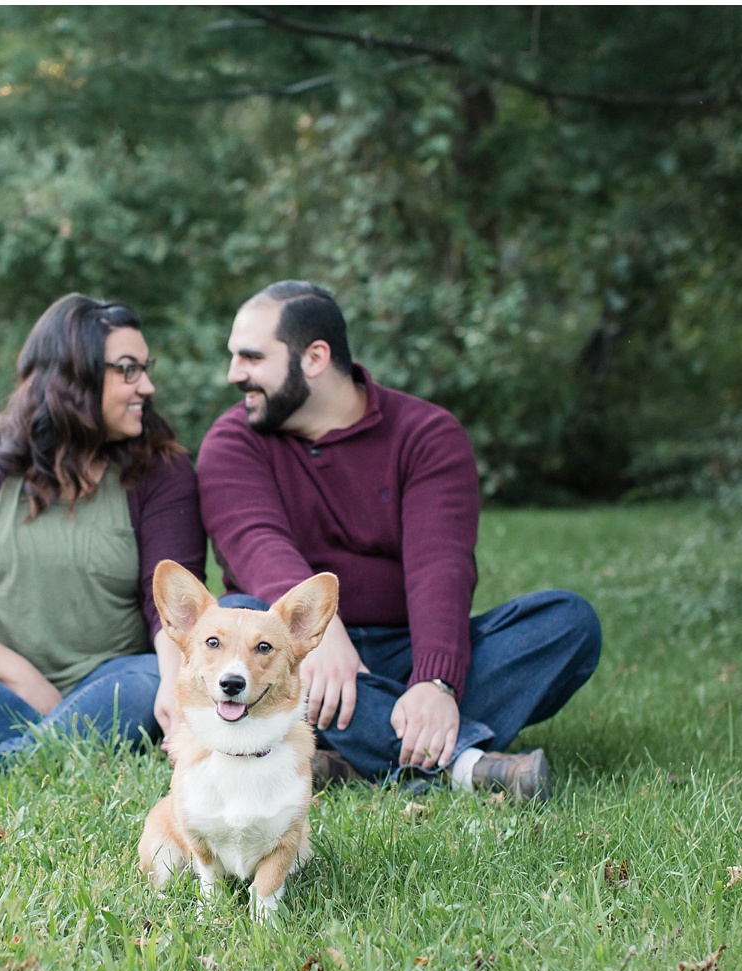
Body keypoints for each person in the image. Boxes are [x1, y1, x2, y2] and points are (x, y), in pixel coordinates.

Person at [189, 281, 602, 803]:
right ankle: (468, 764)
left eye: (250, 357)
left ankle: (350, 749)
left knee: (568, 623)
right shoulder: (233, 441)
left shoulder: (426, 435)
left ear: (315, 357)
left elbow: (440, 566)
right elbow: (256, 540)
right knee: (241, 620)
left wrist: (435, 682)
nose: (234, 375)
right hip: (293, 646)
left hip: (407, 649)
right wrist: (319, 630)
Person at [0, 293, 206, 772]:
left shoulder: (162, 471)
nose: (146, 386)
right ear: (73, 375)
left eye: (145, 368)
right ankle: (86, 740)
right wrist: (20, 676)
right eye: (128, 370)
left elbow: (171, 604)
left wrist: (176, 688)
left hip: (115, 680)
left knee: (153, 677)